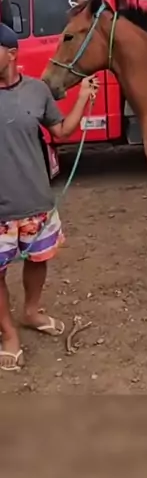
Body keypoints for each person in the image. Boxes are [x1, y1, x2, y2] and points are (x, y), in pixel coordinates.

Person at [0, 21, 99, 371]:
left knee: (38, 260)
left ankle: (30, 311)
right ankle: (9, 335)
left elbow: (62, 131)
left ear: (12, 54)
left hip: (36, 201)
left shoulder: (37, 91)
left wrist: (83, 98)